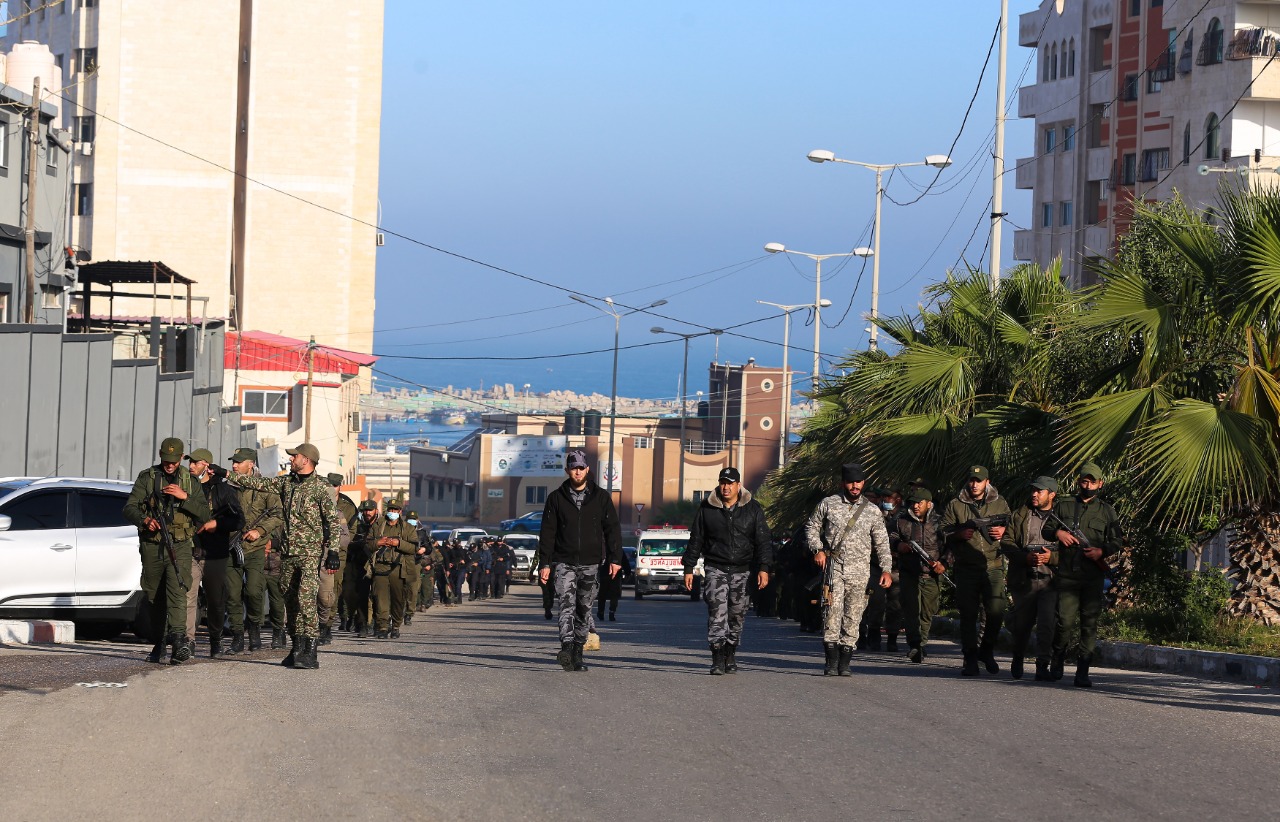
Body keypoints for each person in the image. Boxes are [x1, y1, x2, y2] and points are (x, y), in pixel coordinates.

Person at [215, 442, 342, 669]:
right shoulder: (286, 483)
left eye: (295, 457)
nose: (292, 460)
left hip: (309, 553)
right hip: (288, 553)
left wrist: (332, 551)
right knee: (290, 601)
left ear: (307, 460)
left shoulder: (322, 488)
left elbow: (331, 522)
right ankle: (296, 647)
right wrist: (224, 473)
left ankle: (310, 651)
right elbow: (258, 482)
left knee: (306, 601)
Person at [123, 437, 212, 664]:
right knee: (154, 595)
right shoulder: (148, 477)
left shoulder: (190, 482)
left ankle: (180, 642)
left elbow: (204, 514)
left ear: (181, 458)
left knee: (178, 590)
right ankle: (160, 642)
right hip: (153, 545)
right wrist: (145, 521)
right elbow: (129, 508)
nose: (169, 464)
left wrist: (185, 498)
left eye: (174, 460)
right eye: (166, 459)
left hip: (180, 545)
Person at [538, 449, 623, 672]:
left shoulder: (601, 498)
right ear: (567, 471)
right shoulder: (556, 498)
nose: (577, 471)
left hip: (591, 562)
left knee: (584, 609)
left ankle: (577, 652)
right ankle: (566, 647)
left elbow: (612, 529)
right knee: (566, 605)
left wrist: (615, 558)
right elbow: (547, 532)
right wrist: (544, 563)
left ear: (587, 469)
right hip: (564, 562)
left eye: (581, 467)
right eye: (573, 467)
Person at [805, 463, 892, 677]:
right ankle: (831, 661)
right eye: (851, 482)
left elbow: (882, 542)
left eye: (859, 482)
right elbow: (812, 526)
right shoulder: (829, 504)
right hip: (834, 568)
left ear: (863, 483)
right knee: (831, 613)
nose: (855, 486)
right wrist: (818, 550)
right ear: (843, 482)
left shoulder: (872, 511)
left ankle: (845, 661)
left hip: (860, 571)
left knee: (854, 615)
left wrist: (886, 569)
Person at [683, 466, 772, 675]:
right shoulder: (707, 508)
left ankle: (730, 652)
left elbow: (763, 541)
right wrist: (689, 567)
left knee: (737, 614)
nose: (726, 487)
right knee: (717, 612)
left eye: (730, 483)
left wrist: (764, 568)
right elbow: (696, 538)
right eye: (723, 482)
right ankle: (716, 657)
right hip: (716, 568)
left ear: (738, 485)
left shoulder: (753, 509)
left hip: (743, 570)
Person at [1046, 462, 1122, 687]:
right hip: (1068, 574)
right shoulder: (1065, 506)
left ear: (1100, 483)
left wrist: (1101, 551)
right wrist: (1059, 533)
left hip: (1092, 577)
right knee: (1064, 622)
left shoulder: (1107, 511)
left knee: (1089, 624)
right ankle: (1057, 659)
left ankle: (1083, 671)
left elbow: (1118, 540)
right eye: (1084, 480)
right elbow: (1047, 529)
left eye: (1091, 481)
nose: (1087, 485)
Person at [938, 465, 1012, 676]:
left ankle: (986, 650)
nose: (974, 484)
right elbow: (942, 531)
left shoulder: (1000, 502)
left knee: (997, 610)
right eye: (971, 480)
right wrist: (958, 534)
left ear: (986, 482)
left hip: (993, 566)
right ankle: (970, 657)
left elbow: (1012, 525)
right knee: (968, 615)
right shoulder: (956, 504)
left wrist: (1003, 531)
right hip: (966, 568)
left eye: (978, 480)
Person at [224, 448, 282, 654]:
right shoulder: (227, 488)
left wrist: (260, 530)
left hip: (256, 549)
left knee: (254, 591)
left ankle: (255, 629)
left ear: (250, 464)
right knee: (232, 594)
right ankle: (238, 636)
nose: (234, 466)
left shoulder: (266, 488)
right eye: (233, 462)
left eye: (238, 462)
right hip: (231, 546)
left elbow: (277, 514)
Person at [1002, 476, 1060, 681]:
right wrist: (1025, 557)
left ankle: (1042, 665)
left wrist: (1051, 557)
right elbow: (1007, 542)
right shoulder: (1020, 514)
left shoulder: (1061, 518)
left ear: (1051, 494)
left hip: (1050, 579)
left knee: (1046, 624)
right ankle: (1017, 657)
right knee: (1021, 624)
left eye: (1040, 491)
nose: (1034, 494)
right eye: (1033, 490)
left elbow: (1072, 548)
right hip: (1024, 578)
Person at [187, 448, 244, 658]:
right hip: (191, 551)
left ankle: (215, 640)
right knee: (188, 597)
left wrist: (217, 523)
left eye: (196, 462)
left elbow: (238, 520)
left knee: (216, 600)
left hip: (216, 553)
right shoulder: (186, 487)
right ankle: (188, 641)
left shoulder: (224, 491)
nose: (191, 466)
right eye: (190, 462)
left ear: (208, 467)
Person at [891, 486, 946, 663]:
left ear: (928, 504)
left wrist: (944, 563)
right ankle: (916, 644)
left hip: (931, 575)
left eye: (919, 503)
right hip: (909, 574)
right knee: (911, 610)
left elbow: (950, 546)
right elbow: (891, 538)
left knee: (927, 612)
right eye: (913, 503)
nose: (915, 506)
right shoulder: (902, 521)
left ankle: (921, 642)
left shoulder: (940, 522)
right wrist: (900, 546)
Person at [861, 486, 904, 652]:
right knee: (875, 601)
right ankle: (872, 634)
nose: (885, 500)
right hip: (875, 565)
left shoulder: (905, 516)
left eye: (889, 497)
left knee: (895, 604)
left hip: (896, 566)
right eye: (883, 498)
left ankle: (892, 637)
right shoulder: (872, 514)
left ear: (898, 499)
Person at [369, 500, 419, 638]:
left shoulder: (408, 528)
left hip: (399, 569)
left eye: (396, 510)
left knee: (398, 600)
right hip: (380, 567)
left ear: (400, 512)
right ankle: (383, 627)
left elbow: (414, 548)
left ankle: (396, 625)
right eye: (391, 509)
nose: (393, 512)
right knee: (380, 600)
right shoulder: (378, 525)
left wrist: (399, 543)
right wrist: (377, 543)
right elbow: (367, 545)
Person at [315, 476, 351, 646]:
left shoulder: (338, 514)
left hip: (328, 560)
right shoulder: (308, 513)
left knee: (326, 597)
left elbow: (345, 538)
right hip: (308, 559)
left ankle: (325, 626)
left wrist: (331, 545)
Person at [329, 473, 359, 632]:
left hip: (341, 553)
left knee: (336, 588)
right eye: (330, 485)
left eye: (335, 485)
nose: (332, 489)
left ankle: (330, 623)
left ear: (340, 486)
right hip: (318, 551)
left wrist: (344, 542)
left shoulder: (348, 506)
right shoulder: (318, 500)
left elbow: (353, 528)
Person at [344, 500, 379, 636]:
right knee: (361, 596)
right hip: (360, 565)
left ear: (375, 510)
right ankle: (363, 624)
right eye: (364, 511)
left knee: (377, 596)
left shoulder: (381, 525)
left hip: (377, 564)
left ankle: (377, 623)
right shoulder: (356, 525)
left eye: (370, 510)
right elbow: (349, 543)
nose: (367, 513)